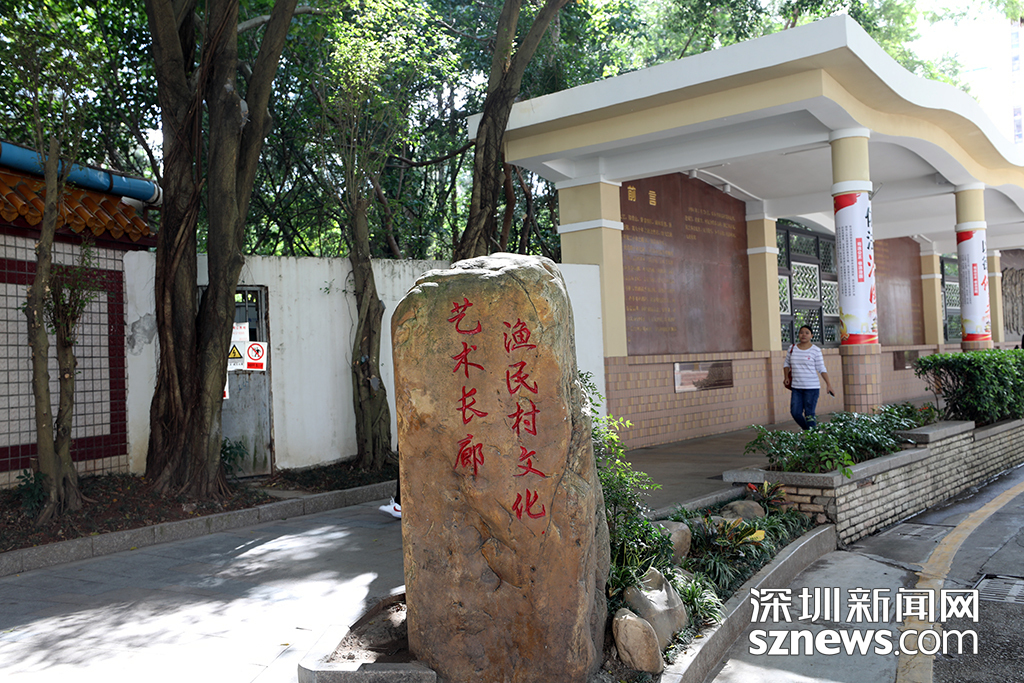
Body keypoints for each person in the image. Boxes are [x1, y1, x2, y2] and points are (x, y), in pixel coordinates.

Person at [783, 325, 834, 430]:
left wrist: (828, 384)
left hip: (812, 388)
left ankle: (813, 436)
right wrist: (786, 377)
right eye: (801, 332)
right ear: (798, 335)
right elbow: (786, 363)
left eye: (807, 333)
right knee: (795, 412)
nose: (804, 335)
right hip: (796, 387)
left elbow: (821, 368)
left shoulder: (816, 350)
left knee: (809, 414)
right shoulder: (792, 348)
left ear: (811, 336)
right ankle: (810, 431)